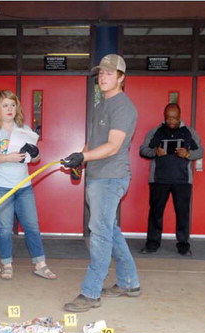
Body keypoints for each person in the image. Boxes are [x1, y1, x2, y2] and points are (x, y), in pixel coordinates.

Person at [61, 54, 140, 312]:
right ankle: (129, 282)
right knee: (109, 229)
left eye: (109, 72)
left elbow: (113, 146)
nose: (103, 77)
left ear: (121, 77)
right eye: (101, 73)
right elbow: (94, 142)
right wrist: (79, 161)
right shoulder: (101, 105)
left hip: (111, 177)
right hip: (97, 176)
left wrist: (84, 156)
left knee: (100, 233)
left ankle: (91, 292)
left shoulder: (123, 107)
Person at [0, 90, 56, 281]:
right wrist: (8, 157)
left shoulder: (24, 129)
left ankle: (40, 264)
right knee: (4, 228)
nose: (10, 109)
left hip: (23, 186)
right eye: (5, 105)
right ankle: (6, 264)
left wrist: (35, 153)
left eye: (13, 105)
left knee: (31, 225)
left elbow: (35, 159)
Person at [139, 103, 204, 255]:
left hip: (182, 180)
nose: (171, 121)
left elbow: (200, 151)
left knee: (182, 213)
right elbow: (143, 150)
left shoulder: (189, 132)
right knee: (155, 213)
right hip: (158, 179)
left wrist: (187, 154)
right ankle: (152, 244)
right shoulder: (155, 131)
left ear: (179, 116)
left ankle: (183, 245)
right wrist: (155, 152)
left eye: (174, 118)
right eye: (168, 118)